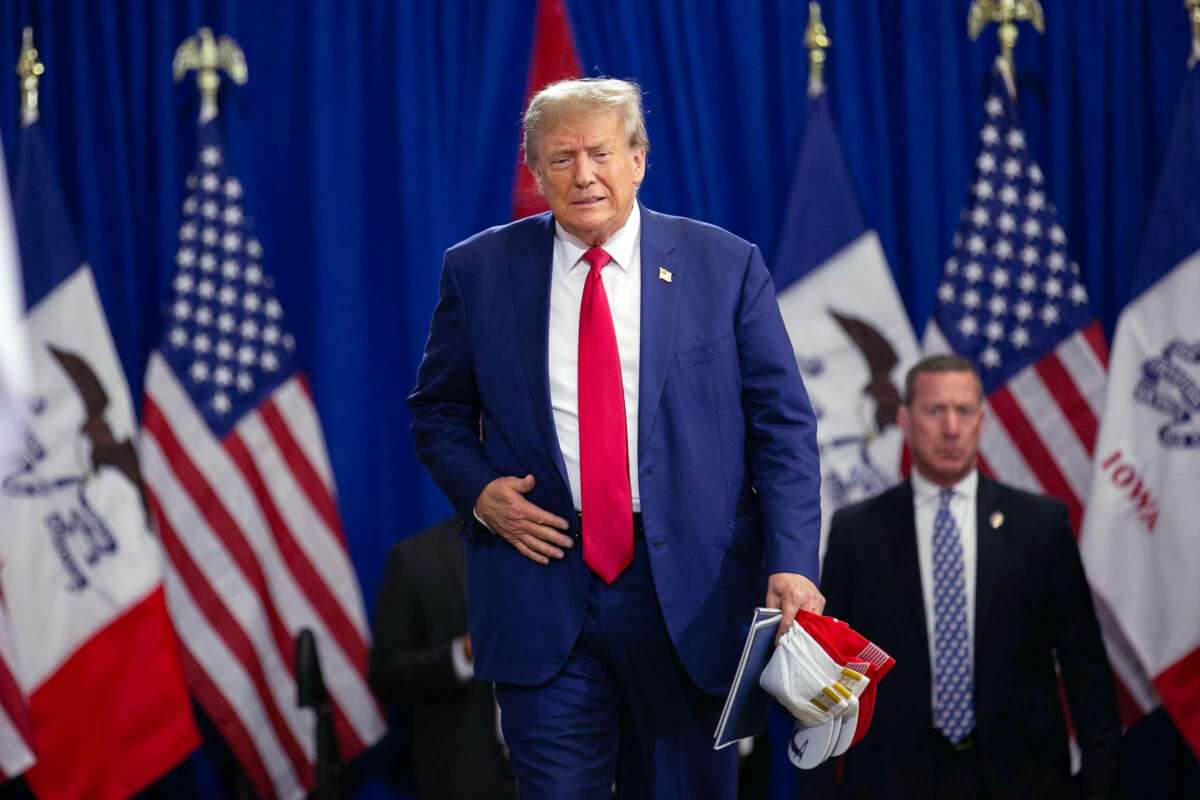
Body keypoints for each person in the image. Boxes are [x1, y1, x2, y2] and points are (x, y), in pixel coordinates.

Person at [407, 77, 823, 799]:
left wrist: (792, 561)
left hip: (690, 596)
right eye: (561, 159)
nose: (584, 175)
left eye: (600, 152)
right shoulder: (477, 271)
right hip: (541, 585)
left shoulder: (723, 266)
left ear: (639, 159)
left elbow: (782, 426)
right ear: (534, 173)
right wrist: (480, 493)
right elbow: (437, 411)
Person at [815, 355, 1121, 799]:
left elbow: (1086, 674)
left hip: (1022, 780)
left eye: (963, 411)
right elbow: (827, 681)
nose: (951, 428)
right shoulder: (856, 532)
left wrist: (1102, 785)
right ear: (904, 419)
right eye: (935, 410)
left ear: (982, 419)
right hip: (893, 780)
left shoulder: (1040, 526)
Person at [368, 517, 516, 800]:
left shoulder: (575, 547)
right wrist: (463, 654)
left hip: (569, 771)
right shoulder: (418, 557)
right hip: (465, 777)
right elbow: (386, 673)